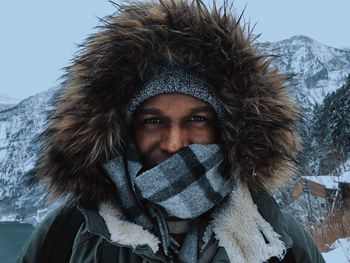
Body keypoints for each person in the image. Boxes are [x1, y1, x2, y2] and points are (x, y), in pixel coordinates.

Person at [18, 0, 325, 262]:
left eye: (197, 119)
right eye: (153, 120)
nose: (175, 143)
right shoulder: (68, 234)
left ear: (226, 130)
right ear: (124, 130)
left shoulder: (277, 236)